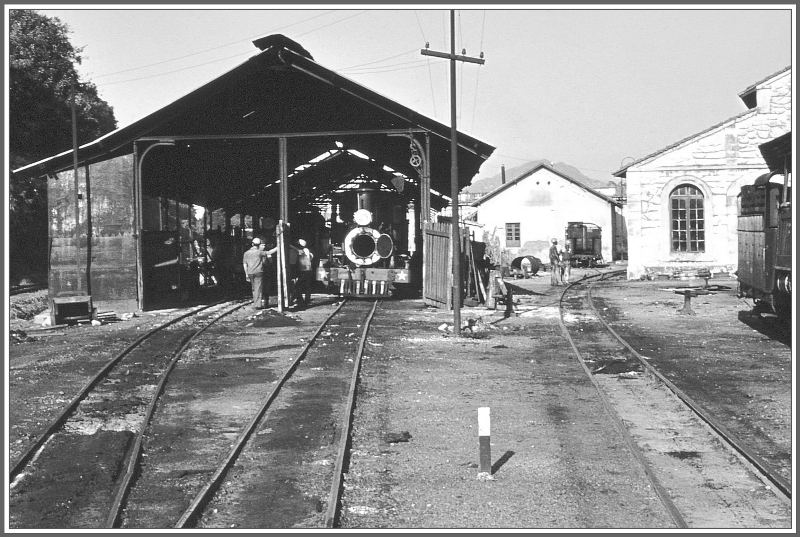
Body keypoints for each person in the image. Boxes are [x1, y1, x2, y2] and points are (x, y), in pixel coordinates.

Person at [242, 237, 272, 309]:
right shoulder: (260, 252)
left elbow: (245, 264)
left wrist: (246, 274)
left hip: (252, 272)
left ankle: (258, 302)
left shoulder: (246, 253)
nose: (263, 246)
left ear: (252, 244)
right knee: (258, 288)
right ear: (259, 245)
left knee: (255, 288)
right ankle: (257, 304)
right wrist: (278, 247)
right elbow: (270, 258)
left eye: (264, 245)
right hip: (259, 272)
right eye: (262, 245)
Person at [291, 238, 315, 308]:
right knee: (307, 286)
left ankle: (300, 301)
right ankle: (306, 300)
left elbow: (297, 250)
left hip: (304, 271)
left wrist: (289, 245)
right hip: (308, 270)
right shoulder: (308, 251)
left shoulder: (303, 250)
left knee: (298, 286)